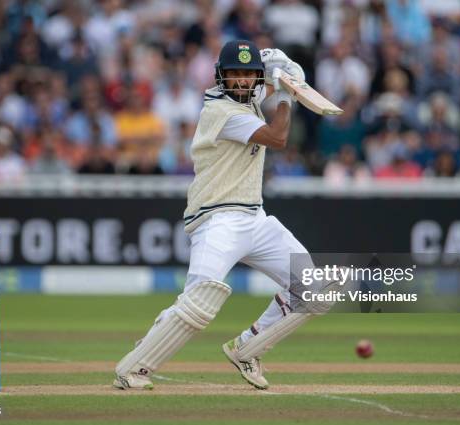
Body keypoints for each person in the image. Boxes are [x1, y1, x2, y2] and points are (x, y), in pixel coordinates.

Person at [114, 40, 315, 391]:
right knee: (200, 299)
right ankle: (135, 365)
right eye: (234, 75)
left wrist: (284, 70)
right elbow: (278, 136)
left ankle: (248, 347)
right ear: (221, 77)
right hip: (216, 218)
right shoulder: (220, 112)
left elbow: (271, 77)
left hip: (255, 217)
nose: (241, 81)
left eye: (247, 75)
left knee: (312, 286)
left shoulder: (249, 98)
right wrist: (286, 91)